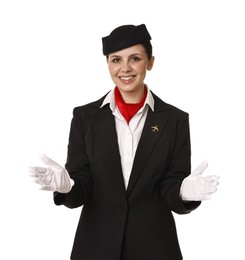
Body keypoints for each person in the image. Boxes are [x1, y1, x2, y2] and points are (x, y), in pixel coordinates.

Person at [29, 24, 219, 260]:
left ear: (150, 62)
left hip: (156, 248)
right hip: (96, 247)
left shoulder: (175, 120)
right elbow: (83, 187)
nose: (125, 68)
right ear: (108, 64)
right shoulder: (85, 117)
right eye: (116, 60)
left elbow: (170, 188)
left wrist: (185, 193)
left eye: (135, 58)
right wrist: (67, 186)